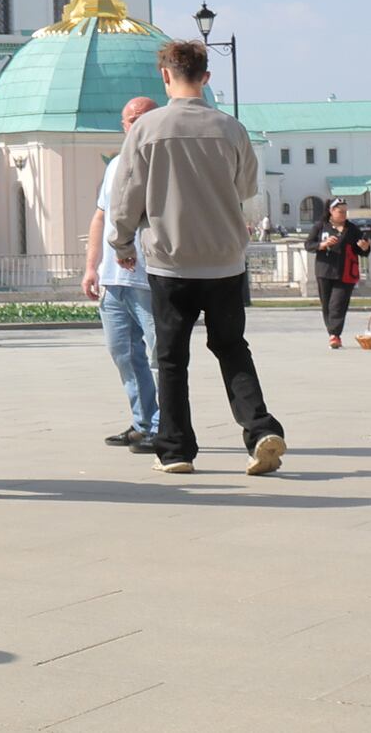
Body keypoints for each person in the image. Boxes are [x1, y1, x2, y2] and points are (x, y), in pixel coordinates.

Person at [108, 40, 286, 478]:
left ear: (165, 76)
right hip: (225, 258)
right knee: (231, 348)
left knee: (170, 357)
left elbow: (126, 195)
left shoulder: (146, 129)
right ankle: (259, 428)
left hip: (171, 260)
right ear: (206, 77)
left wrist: (123, 243)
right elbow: (246, 189)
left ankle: (176, 449)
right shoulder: (231, 128)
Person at [83, 98, 164, 445]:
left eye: (144, 119)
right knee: (124, 354)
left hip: (151, 275)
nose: (136, 126)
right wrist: (91, 268)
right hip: (114, 279)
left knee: (160, 355)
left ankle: (165, 426)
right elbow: (102, 215)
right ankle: (143, 421)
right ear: (124, 126)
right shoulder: (115, 164)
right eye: (131, 121)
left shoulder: (165, 163)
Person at [304, 197, 371, 349]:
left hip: (345, 272)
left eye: (345, 212)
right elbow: (308, 244)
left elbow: (362, 250)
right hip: (324, 270)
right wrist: (322, 244)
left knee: (338, 303)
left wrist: (365, 247)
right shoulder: (321, 226)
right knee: (327, 304)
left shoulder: (352, 229)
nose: (343, 215)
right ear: (331, 211)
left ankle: (335, 334)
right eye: (340, 211)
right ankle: (332, 333)